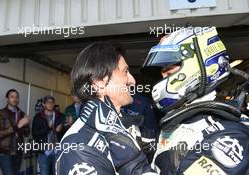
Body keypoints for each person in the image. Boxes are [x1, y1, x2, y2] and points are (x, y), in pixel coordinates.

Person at [142, 27, 249, 174]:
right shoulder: (180, 121)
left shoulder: (229, 134)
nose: (163, 75)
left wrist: (133, 164)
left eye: (169, 68)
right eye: (162, 70)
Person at [55, 42, 157, 175]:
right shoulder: (79, 146)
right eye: (125, 72)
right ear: (99, 82)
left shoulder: (123, 127)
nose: (132, 80)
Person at [0, 89, 30, 175]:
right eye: (12, 97)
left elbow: (26, 134)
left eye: (17, 97)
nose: (15, 99)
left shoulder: (21, 114)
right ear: (7, 99)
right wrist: (17, 126)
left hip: (18, 152)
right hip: (5, 152)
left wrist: (26, 124)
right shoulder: (0, 114)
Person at [32, 95, 63, 175]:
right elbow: (35, 134)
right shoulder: (38, 117)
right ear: (43, 104)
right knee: (44, 173)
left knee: (58, 173)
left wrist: (61, 129)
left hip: (57, 150)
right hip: (44, 151)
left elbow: (66, 133)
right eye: (48, 102)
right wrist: (47, 128)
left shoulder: (60, 116)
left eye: (52, 102)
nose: (50, 104)